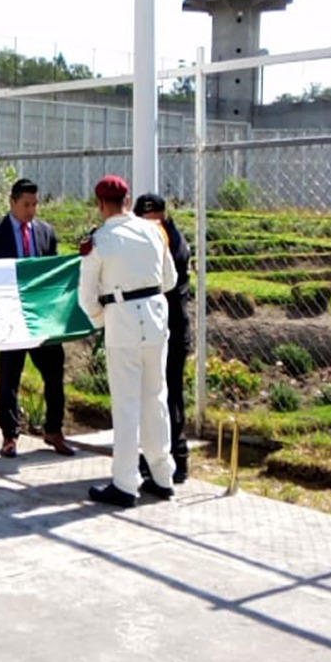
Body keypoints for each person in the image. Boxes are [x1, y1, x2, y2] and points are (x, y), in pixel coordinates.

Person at [77, 175, 178, 508]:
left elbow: (86, 297)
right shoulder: (153, 231)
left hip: (122, 319)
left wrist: (102, 319)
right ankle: (162, 476)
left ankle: (124, 482)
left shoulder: (100, 241)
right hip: (155, 316)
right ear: (128, 199)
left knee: (126, 404)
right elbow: (170, 279)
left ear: (100, 204)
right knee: (155, 396)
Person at [0, 178, 75, 458]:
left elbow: (54, 275)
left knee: (54, 371)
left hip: (41, 320)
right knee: (10, 377)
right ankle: (10, 435)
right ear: (12, 202)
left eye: (35, 204)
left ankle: (54, 430)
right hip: (9, 318)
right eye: (26, 204)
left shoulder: (46, 232)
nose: (31, 210)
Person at [134, 193, 191, 483]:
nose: (154, 225)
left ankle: (178, 459)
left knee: (170, 396)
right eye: (147, 221)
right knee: (149, 398)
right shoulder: (144, 241)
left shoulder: (174, 242)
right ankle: (150, 458)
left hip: (172, 332)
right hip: (148, 332)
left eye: (157, 219)